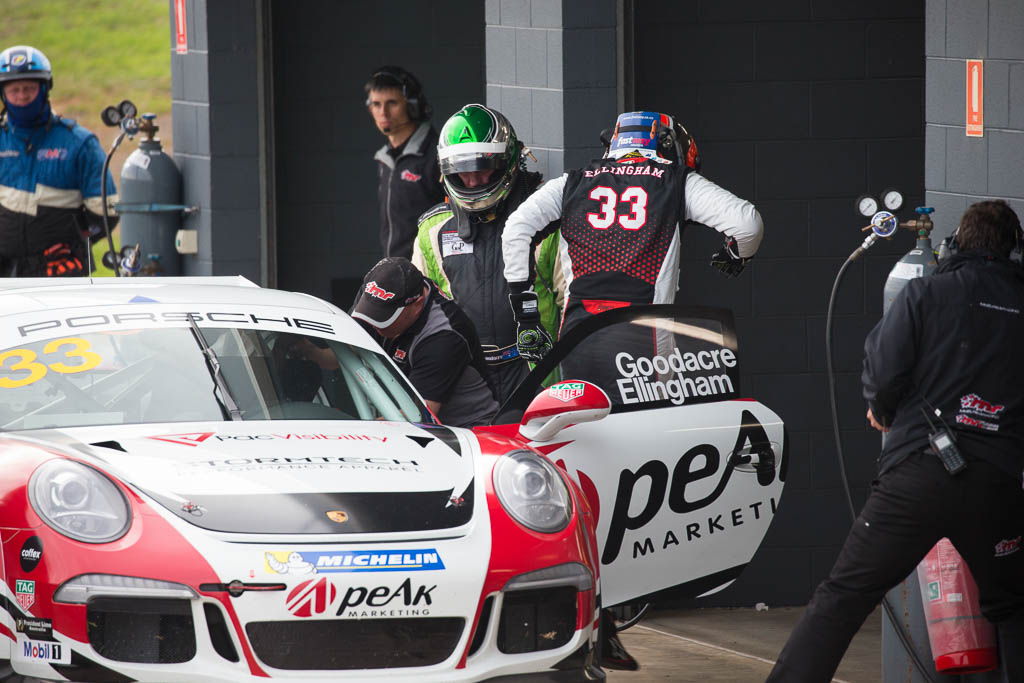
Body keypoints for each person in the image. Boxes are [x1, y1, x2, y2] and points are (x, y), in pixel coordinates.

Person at [767, 200, 1024, 681]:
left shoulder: (925, 293)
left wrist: (882, 411)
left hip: (917, 477)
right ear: (1012, 251)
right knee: (1013, 606)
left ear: (956, 244)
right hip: (997, 485)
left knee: (842, 597)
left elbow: (884, 372)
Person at [501, 110, 763, 389]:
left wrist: (526, 314)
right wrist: (736, 254)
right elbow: (747, 224)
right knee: (646, 425)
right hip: (645, 340)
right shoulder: (677, 181)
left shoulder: (570, 183)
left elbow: (516, 229)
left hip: (579, 335)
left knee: (581, 423)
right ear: (669, 145)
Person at [412, 103, 562, 403]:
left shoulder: (547, 220)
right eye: (461, 172)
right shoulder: (434, 228)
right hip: (465, 377)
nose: (472, 180)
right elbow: (418, 314)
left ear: (507, 161)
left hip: (537, 373)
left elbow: (573, 302)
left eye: (481, 168)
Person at [0, 45, 117, 277]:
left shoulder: (79, 143)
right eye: (15, 90)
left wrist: (76, 245)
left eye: (29, 89)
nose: (22, 97)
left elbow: (107, 212)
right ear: (3, 94)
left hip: (59, 270)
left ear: (45, 89)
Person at [351, 256, 498, 428]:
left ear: (417, 305)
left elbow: (418, 417)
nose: (374, 324)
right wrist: (312, 351)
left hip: (465, 432)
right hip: (401, 418)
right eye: (372, 313)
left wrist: (349, 431)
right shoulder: (376, 293)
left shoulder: (444, 336)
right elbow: (338, 355)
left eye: (384, 318)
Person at [366, 66, 445, 259]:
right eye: (376, 104)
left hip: (430, 274)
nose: (383, 112)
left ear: (412, 105)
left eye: (391, 103)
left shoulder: (437, 154)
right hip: (396, 270)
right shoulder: (385, 159)